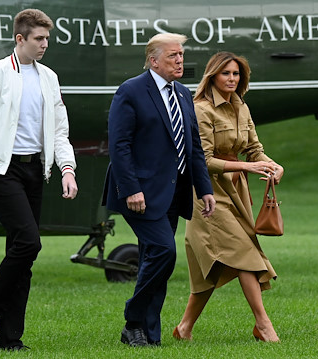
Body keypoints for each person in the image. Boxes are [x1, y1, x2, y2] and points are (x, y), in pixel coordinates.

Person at [0, 9, 78, 352]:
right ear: (20, 39)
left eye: (47, 39)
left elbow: (59, 130)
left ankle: (11, 338)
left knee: (21, 254)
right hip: (1, 170)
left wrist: (67, 169)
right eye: (38, 39)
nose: (44, 45)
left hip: (35, 170)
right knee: (29, 243)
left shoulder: (49, 77)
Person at [102, 33, 216, 347]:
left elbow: (193, 145)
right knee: (165, 251)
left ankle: (146, 334)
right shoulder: (131, 90)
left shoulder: (182, 92)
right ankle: (133, 318)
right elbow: (120, 146)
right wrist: (131, 189)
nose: (180, 61)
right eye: (172, 56)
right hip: (139, 194)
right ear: (154, 60)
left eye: (181, 55)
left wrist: (204, 188)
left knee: (157, 259)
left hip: (173, 192)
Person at [172, 52, 284, 343]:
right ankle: (263, 324)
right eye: (226, 74)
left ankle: (184, 328)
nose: (232, 79)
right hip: (206, 193)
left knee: (208, 270)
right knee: (244, 253)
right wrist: (247, 166)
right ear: (213, 76)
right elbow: (204, 159)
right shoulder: (201, 109)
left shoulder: (241, 107)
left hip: (236, 193)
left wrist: (274, 165)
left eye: (236, 74)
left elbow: (255, 149)